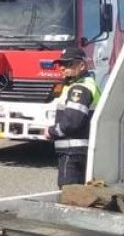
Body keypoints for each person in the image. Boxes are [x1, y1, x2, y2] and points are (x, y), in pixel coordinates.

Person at [44, 47, 100, 188]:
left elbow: (72, 122)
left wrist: (51, 131)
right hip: (80, 151)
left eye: (68, 64)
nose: (62, 68)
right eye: (60, 64)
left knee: (69, 193)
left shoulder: (79, 89)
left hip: (73, 152)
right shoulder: (81, 85)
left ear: (81, 65)